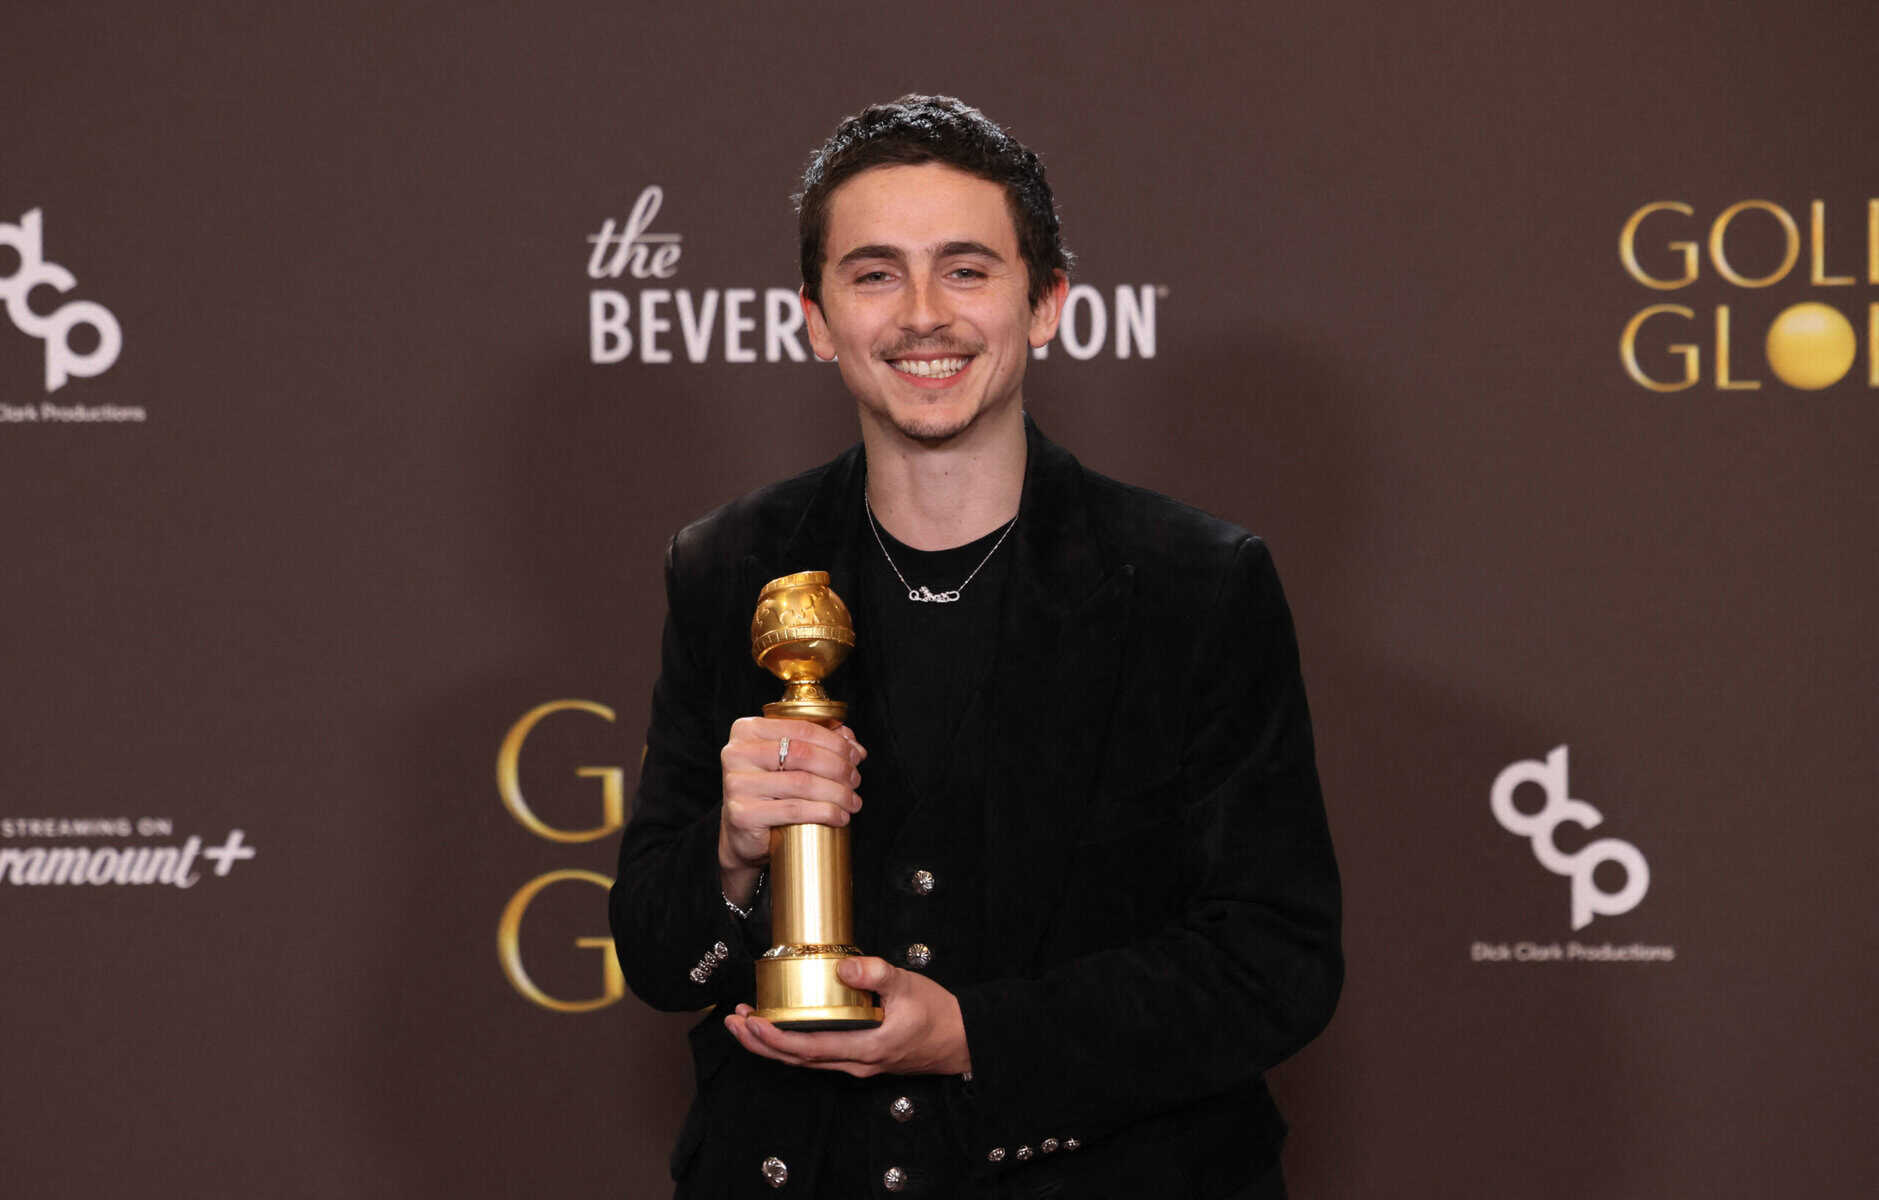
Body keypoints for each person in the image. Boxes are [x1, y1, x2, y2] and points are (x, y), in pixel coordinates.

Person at [611, 94, 1341, 1199]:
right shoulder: (729, 567)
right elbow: (659, 960)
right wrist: (727, 855)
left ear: (1044, 303)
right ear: (815, 320)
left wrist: (974, 1035)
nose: (922, 316)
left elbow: (1276, 960)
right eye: (874, 274)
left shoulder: (1195, 584)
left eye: (964, 270)